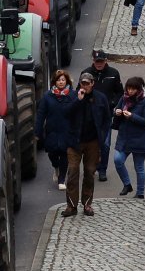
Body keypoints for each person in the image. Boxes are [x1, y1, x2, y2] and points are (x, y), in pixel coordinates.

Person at [64, 74, 111, 217]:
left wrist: (101, 136)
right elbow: (66, 113)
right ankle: (71, 206)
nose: (84, 86)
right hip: (74, 141)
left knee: (90, 172)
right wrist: (78, 100)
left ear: (92, 83)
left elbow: (107, 119)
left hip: (93, 141)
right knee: (72, 172)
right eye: (82, 83)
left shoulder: (100, 98)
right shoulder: (73, 96)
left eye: (86, 83)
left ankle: (87, 204)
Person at [83, 50, 124, 182]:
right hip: (89, 114)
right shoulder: (86, 73)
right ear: (93, 61)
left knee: (105, 144)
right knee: (89, 143)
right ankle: (91, 166)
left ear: (106, 61)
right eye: (96, 61)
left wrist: (113, 104)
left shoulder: (113, 73)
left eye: (101, 61)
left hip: (106, 114)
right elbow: (80, 91)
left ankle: (102, 169)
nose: (99, 64)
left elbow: (120, 92)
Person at [111, 78, 145, 199]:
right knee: (118, 160)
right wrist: (116, 112)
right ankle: (127, 184)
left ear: (139, 89)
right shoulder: (123, 98)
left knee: (139, 167)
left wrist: (132, 116)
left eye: (133, 89)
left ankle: (140, 192)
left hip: (139, 139)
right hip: (124, 137)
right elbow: (115, 110)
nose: (130, 91)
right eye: (128, 88)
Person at [35, 69, 77, 188]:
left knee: (64, 154)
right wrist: (37, 131)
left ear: (67, 81)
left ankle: (62, 180)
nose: (61, 82)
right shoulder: (48, 96)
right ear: (54, 82)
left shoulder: (72, 95)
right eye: (58, 80)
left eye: (63, 80)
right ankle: (56, 167)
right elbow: (41, 114)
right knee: (52, 153)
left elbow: (77, 113)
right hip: (52, 129)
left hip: (66, 130)